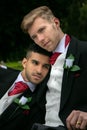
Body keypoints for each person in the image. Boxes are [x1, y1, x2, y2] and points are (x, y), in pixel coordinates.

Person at [21, 6, 87, 130]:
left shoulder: (84, 51)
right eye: (34, 37)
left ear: (56, 23)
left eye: (42, 30)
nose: (40, 39)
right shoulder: (42, 61)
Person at [0, 42, 52, 130]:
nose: (39, 71)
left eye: (45, 66)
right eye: (35, 63)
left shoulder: (41, 103)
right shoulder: (2, 74)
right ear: (24, 63)